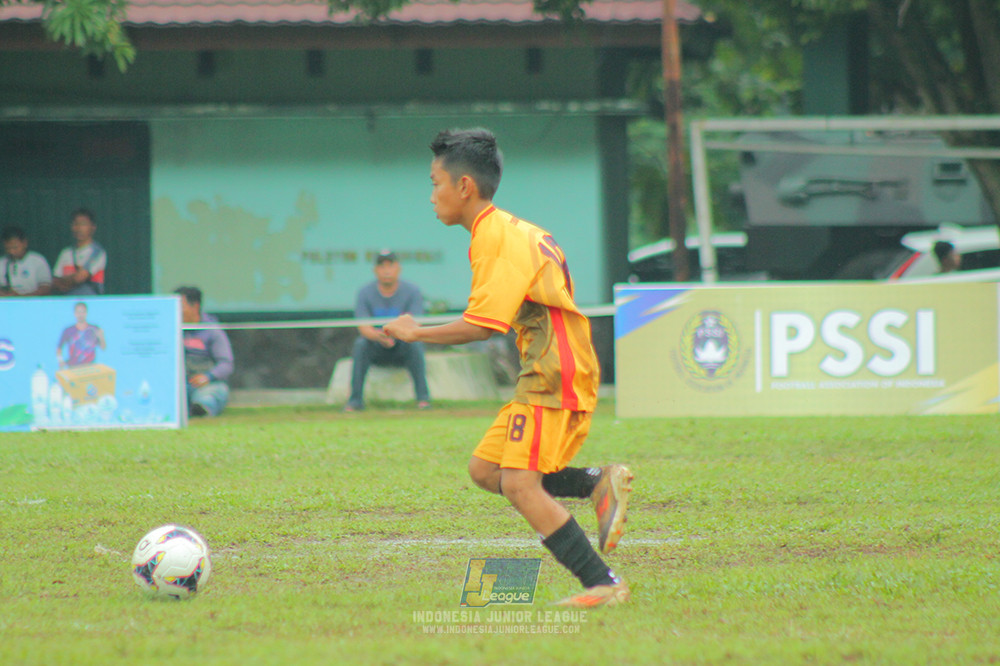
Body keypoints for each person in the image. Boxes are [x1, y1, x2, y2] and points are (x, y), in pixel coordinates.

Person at [383, 128, 633, 608]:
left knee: (519, 483)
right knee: (486, 468)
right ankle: (594, 482)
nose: (430, 194)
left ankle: (602, 583)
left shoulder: (494, 237)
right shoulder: (508, 228)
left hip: (553, 370)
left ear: (464, 187)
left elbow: (482, 325)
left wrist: (417, 332)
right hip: (553, 364)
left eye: (435, 182)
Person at [344, 249, 430, 412]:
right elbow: (363, 326)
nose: (387, 271)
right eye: (382, 266)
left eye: (391, 266)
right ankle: (355, 401)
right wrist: (379, 336)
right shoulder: (365, 292)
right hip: (376, 344)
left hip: (403, 343)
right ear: (375, 270)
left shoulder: (412, 291)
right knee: (361, 345)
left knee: (416, 345)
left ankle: (423, 399)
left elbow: (415, 323)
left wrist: (396, 334)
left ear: (398, 268)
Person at [176, 286, 234, 418]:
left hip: (205, 385)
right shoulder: (169, 329)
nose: (176, 311)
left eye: (180, 306)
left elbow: (226, 364)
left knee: (214, 394)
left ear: (195, 306)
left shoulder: (213, 331)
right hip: (179, 384)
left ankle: (199, 411)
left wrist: (208, 377)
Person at [51, 208, 107, 296]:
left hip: (90, 303)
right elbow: (54, 282)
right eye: (75, 224)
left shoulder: (97, 252)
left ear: (93, 227)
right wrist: (71, 280)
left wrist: (65, 281)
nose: (79, 228)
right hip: (67, 302)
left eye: (83, 224)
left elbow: (80, 278)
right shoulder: (65, 252)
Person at [0, 225, 52, 297]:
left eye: (15, 247)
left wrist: (23, 297)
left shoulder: (37, 261)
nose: (12, 252)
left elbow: (45, 288)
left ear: (25, 243)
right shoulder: (2, 263)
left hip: (33, 303)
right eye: (8, 248)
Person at [57, 301, 106, 368]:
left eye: (83, 312)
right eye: (78, 312)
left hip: (90, 367)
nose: (80, 315)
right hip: (73, 368)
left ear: (86, 313)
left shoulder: (94, 329)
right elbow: (59, 348)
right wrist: (60, 361)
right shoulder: (68, 330)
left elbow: (103, 348)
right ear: (75, 313)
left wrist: (101, 337)